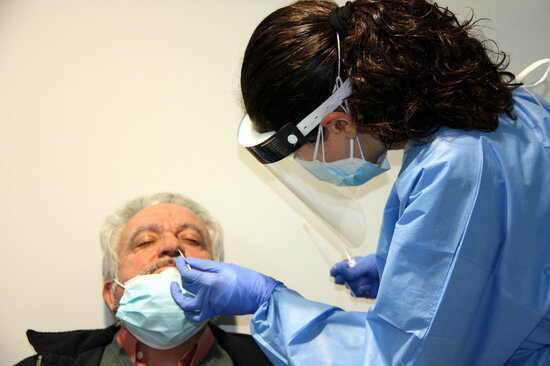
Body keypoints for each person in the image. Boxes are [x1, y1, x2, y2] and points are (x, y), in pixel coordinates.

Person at [169, 1, 550, 365]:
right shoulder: (517, 110)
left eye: (303, 155)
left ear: (338, 124)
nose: (311, 167)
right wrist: (399, 272)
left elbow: (398, 359)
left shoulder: (455, 168)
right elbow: (511, 260)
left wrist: (268, 302)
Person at [16, 192, 272, 366]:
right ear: (111, 294)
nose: (172, 245)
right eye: (145, 241)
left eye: (192, 240)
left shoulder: (275, 360)